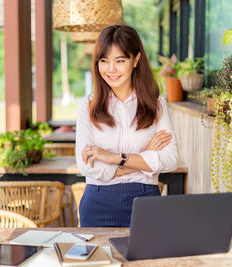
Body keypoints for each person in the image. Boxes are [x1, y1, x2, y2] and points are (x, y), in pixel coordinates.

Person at [75, 25, 179, 227]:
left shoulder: (156, 104)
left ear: (136, 60)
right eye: (103, 61)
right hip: (97, 203)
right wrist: (143, 158)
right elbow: (86, 166)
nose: (110, 69)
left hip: (146, 201)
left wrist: (115, 158)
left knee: (147, 259)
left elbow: (171, 159)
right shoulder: (87, 106)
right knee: (99, 259)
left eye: (120, 61)